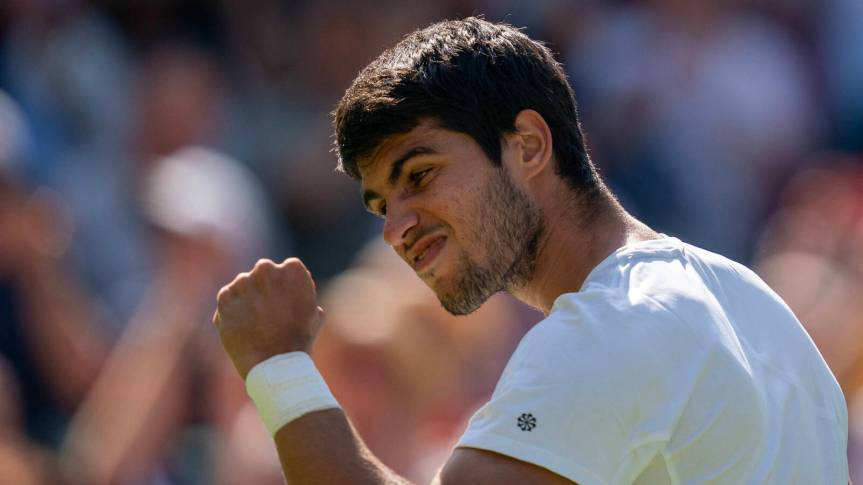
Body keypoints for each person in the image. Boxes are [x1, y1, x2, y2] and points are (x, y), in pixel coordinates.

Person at [213, 17, 849, 484]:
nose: (395, 228)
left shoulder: (610, 326)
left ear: (528, 146)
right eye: (382, 205)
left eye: (421, 175)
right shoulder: (757, 306)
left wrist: (278, 366)